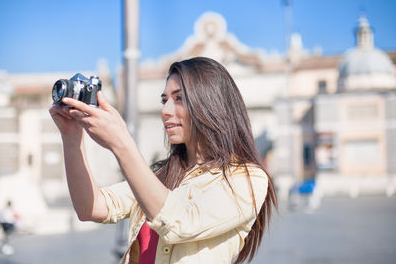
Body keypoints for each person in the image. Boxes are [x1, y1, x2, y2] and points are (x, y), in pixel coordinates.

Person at [49, 57, 277, 264]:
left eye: (179, 99)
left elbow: (179, 222)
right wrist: (71, 137)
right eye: (164, 100)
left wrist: (121, 143)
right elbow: (92, 208)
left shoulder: (248, 179)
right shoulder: (161, 176)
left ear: (211, 104)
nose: (166, 110)